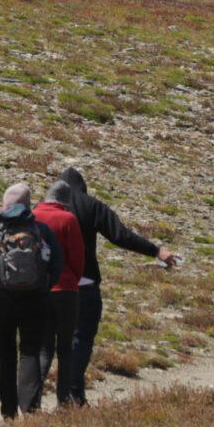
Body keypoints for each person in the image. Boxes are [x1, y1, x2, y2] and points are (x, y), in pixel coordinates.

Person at [49, 166, 180, 408]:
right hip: (84, 285)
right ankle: (72, 395)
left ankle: (33, 402)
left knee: (49, 342)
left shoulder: (44, 208)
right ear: (82, 187)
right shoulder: (91, 205)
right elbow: (121, 235)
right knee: (81, 339)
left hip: (49, 287)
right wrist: (156, 250)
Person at [0, 183, 63, 420]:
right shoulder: (41, 229)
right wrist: (44, 285)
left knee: (6, 354)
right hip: (35, 299)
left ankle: (8, 411)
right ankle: (30, 407)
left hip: (1, 300)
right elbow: (57, 263)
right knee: (30, 352)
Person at [29, 183, 88, 414]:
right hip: (66, 290)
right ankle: (63, 401)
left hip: (39, 289)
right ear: (64, 200)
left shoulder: (32, 215)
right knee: (65, 348)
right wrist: (72, 277)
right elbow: (77, 258)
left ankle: (34, 400)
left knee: (43, 348)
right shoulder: (68, 219)